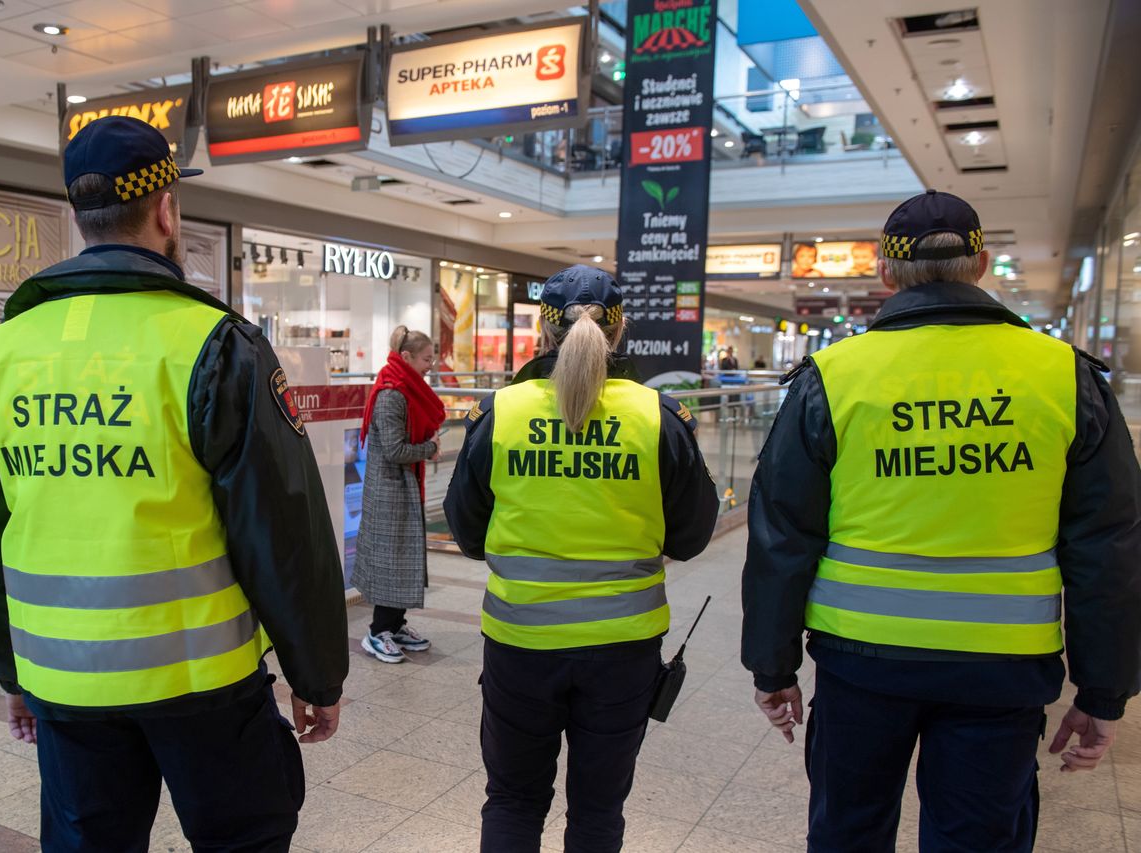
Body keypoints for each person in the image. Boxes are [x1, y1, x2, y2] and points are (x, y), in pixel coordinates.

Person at [0, 115, 349, 852]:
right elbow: (283, 532)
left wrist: (10, 669)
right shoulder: (214, 347)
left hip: (65, 686)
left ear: (79, 216)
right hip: (204, 685)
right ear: (167, 209)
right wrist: (315, 674)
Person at [741, 190, 1141, 852]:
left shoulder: (834, 378)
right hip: (1002, 671)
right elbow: (1110, 549)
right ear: (981, 263)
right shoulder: (1063, 376)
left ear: (885, 273)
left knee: (847, 831)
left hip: (860, 663)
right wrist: (1104, 690)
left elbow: (781, 535)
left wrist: (772, 665)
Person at [445, 265, 720, 853]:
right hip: (623, 650)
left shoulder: (501, 413)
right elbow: (693, 536)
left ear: (542, 333)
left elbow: (466, 534)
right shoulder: (658, 418)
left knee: (514, 801)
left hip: (520, 644)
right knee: (597, 810)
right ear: (619, 333)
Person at [351, 326, 446, 664]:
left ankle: (396, 625)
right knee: (393, 562)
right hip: (391, 489)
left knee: (404, 559)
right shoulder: (393, 392)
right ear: (405, 357)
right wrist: (429, 448)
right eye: (425, 358)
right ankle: (377, 632)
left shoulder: (406, 388)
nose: (430, 365)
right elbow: (393, 449)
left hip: (403, 485)